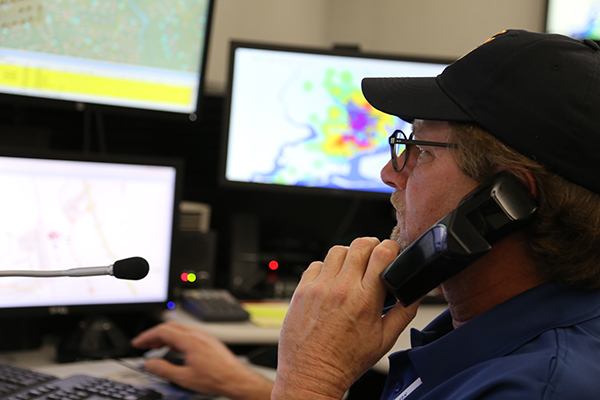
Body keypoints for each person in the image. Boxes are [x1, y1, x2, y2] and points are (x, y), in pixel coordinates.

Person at [132, 29, 600, 399]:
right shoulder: (482, 328)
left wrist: (311, 381)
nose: (388, 173)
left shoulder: (538, 386)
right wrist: (253, 386)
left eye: (419, 149)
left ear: (507, 199)